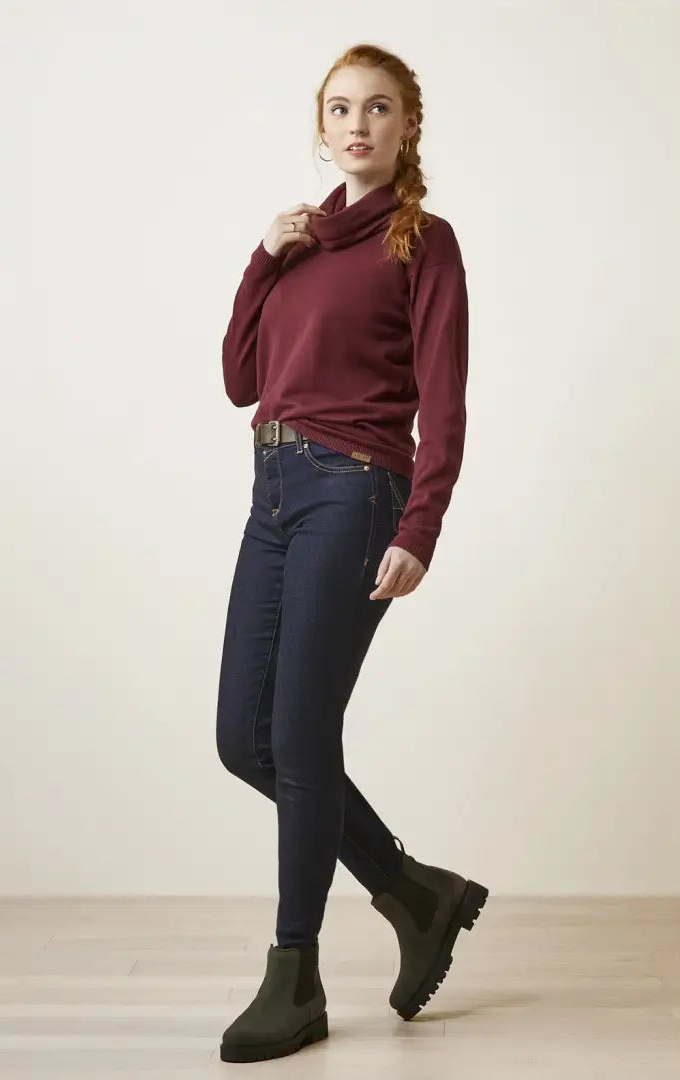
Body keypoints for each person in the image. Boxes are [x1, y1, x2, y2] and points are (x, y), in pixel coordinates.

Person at [215, 43, 487, 1064]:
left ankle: (297, 976)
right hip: (273, 493)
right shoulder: (300, 245)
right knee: (246, 738)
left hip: (355, 491)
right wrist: (263, 258)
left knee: (296, 727)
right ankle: (417, 894)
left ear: (408, 125)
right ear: (320, 127)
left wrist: (421, 525)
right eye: (341, 109)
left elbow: (446, 399)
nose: (359, 124)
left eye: (379, 108)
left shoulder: (426, 243)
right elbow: (242, 379)